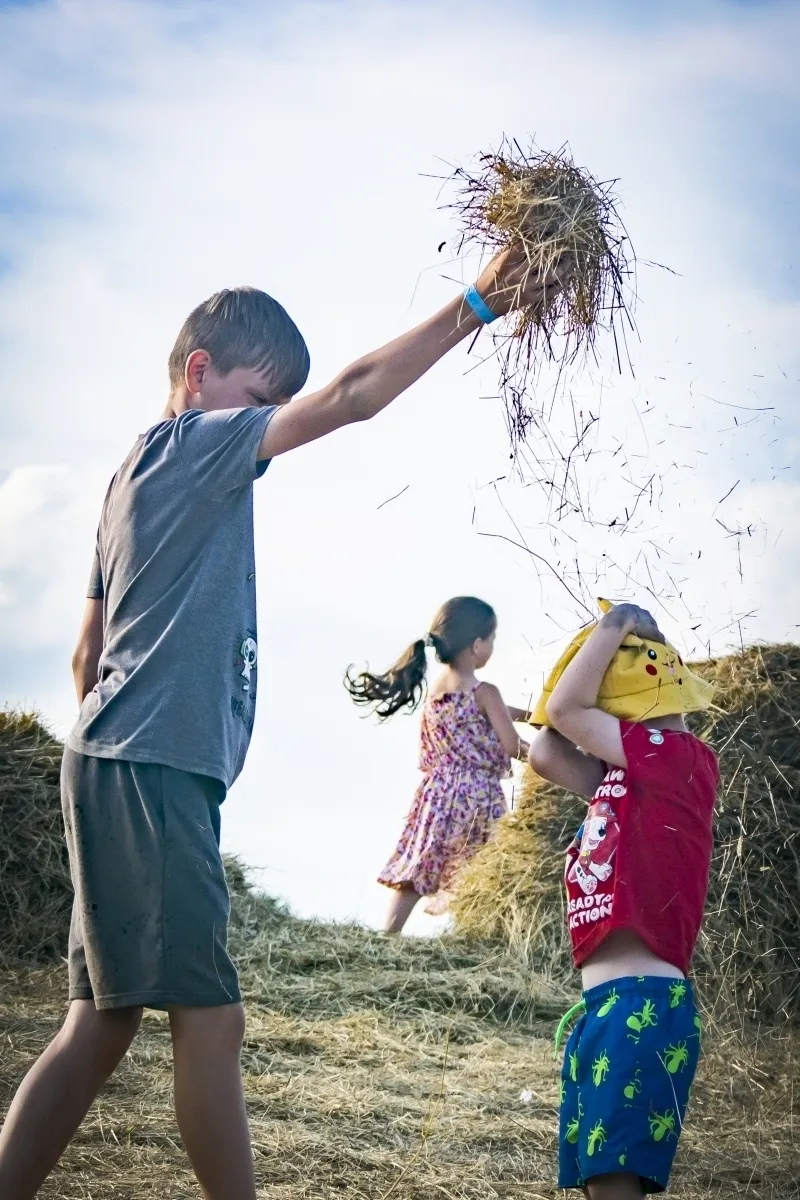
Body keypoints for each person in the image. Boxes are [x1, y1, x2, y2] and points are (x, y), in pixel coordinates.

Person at [0, 250, 565, 1200]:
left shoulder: (127, 474)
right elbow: (351, 396)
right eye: (256, 398)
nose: (263, 424)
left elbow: (83, 653)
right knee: (211, 1020)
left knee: (99, 1023)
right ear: (199, 373)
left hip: (111, 760)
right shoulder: (197, 442)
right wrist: (478, 303)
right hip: (152, 766)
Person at [527, 600, 718, 1199]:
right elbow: (547, 750)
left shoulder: (680, 761)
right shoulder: (632, 781)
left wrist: (617, 624)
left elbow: (565, 710)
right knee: (598, 1183)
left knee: (613, 1187)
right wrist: (590, 655)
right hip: (606, 1011)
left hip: (643, 1008)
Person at [346, 596, 529, 933]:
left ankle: (389, 932)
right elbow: (513, 745)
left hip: (437, 795)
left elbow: (484, 713)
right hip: (476, 798)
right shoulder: (487, 692)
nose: (492, 646)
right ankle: (473, 934)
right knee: (483, 869)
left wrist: (532, 716)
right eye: (492, 639)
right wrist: (551, 761)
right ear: (477, 645)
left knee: (421, 865)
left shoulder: (437, 692)